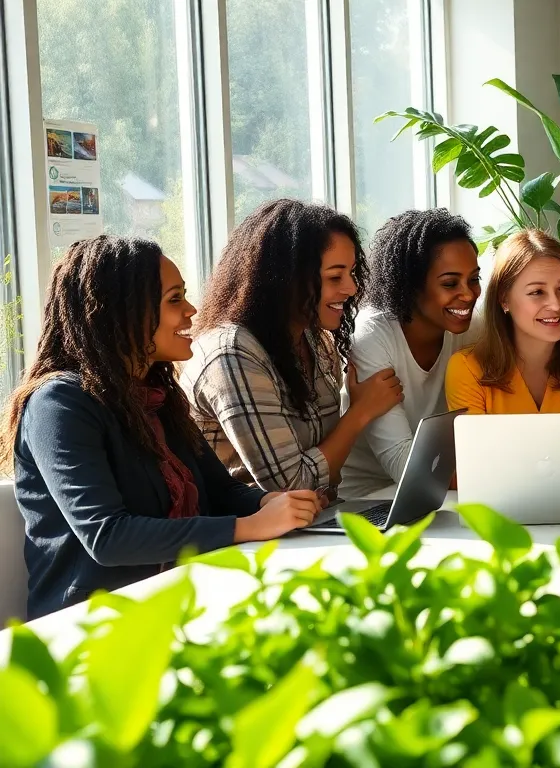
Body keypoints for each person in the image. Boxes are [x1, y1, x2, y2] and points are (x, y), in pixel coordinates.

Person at [3, 237, 320, 619]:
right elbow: (107, 537)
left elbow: (222, 492)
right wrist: (249, 526)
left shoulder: (158, 396)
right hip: (90, 626)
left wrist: (268, 504)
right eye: (174, 299)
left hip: (176, 600)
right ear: (120, 313)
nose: (191, 310)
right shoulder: (59, 404)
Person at [179, 199, 403, 498]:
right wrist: (360, 412)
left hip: (307, 527)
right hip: (246, 536)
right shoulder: (232, 353)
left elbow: (326, 479)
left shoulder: (316, 341)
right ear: (284, 279)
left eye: (351, 273)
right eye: (335, 276)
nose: (351, 288)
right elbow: (292, 486)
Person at [340, 209, 483, 498]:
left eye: (474, 279)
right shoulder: (372, 337)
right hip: (366, 501)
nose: (468, 295)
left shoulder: (471, 328)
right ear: (410, 285)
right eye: (449, 283)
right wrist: (495, 473)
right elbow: (403, 465)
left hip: (440, 493)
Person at [446, 229, 560, 414]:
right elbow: (475, 444)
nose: (556, 305)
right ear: (504, 298)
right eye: (537, 292)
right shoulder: (467, 370)